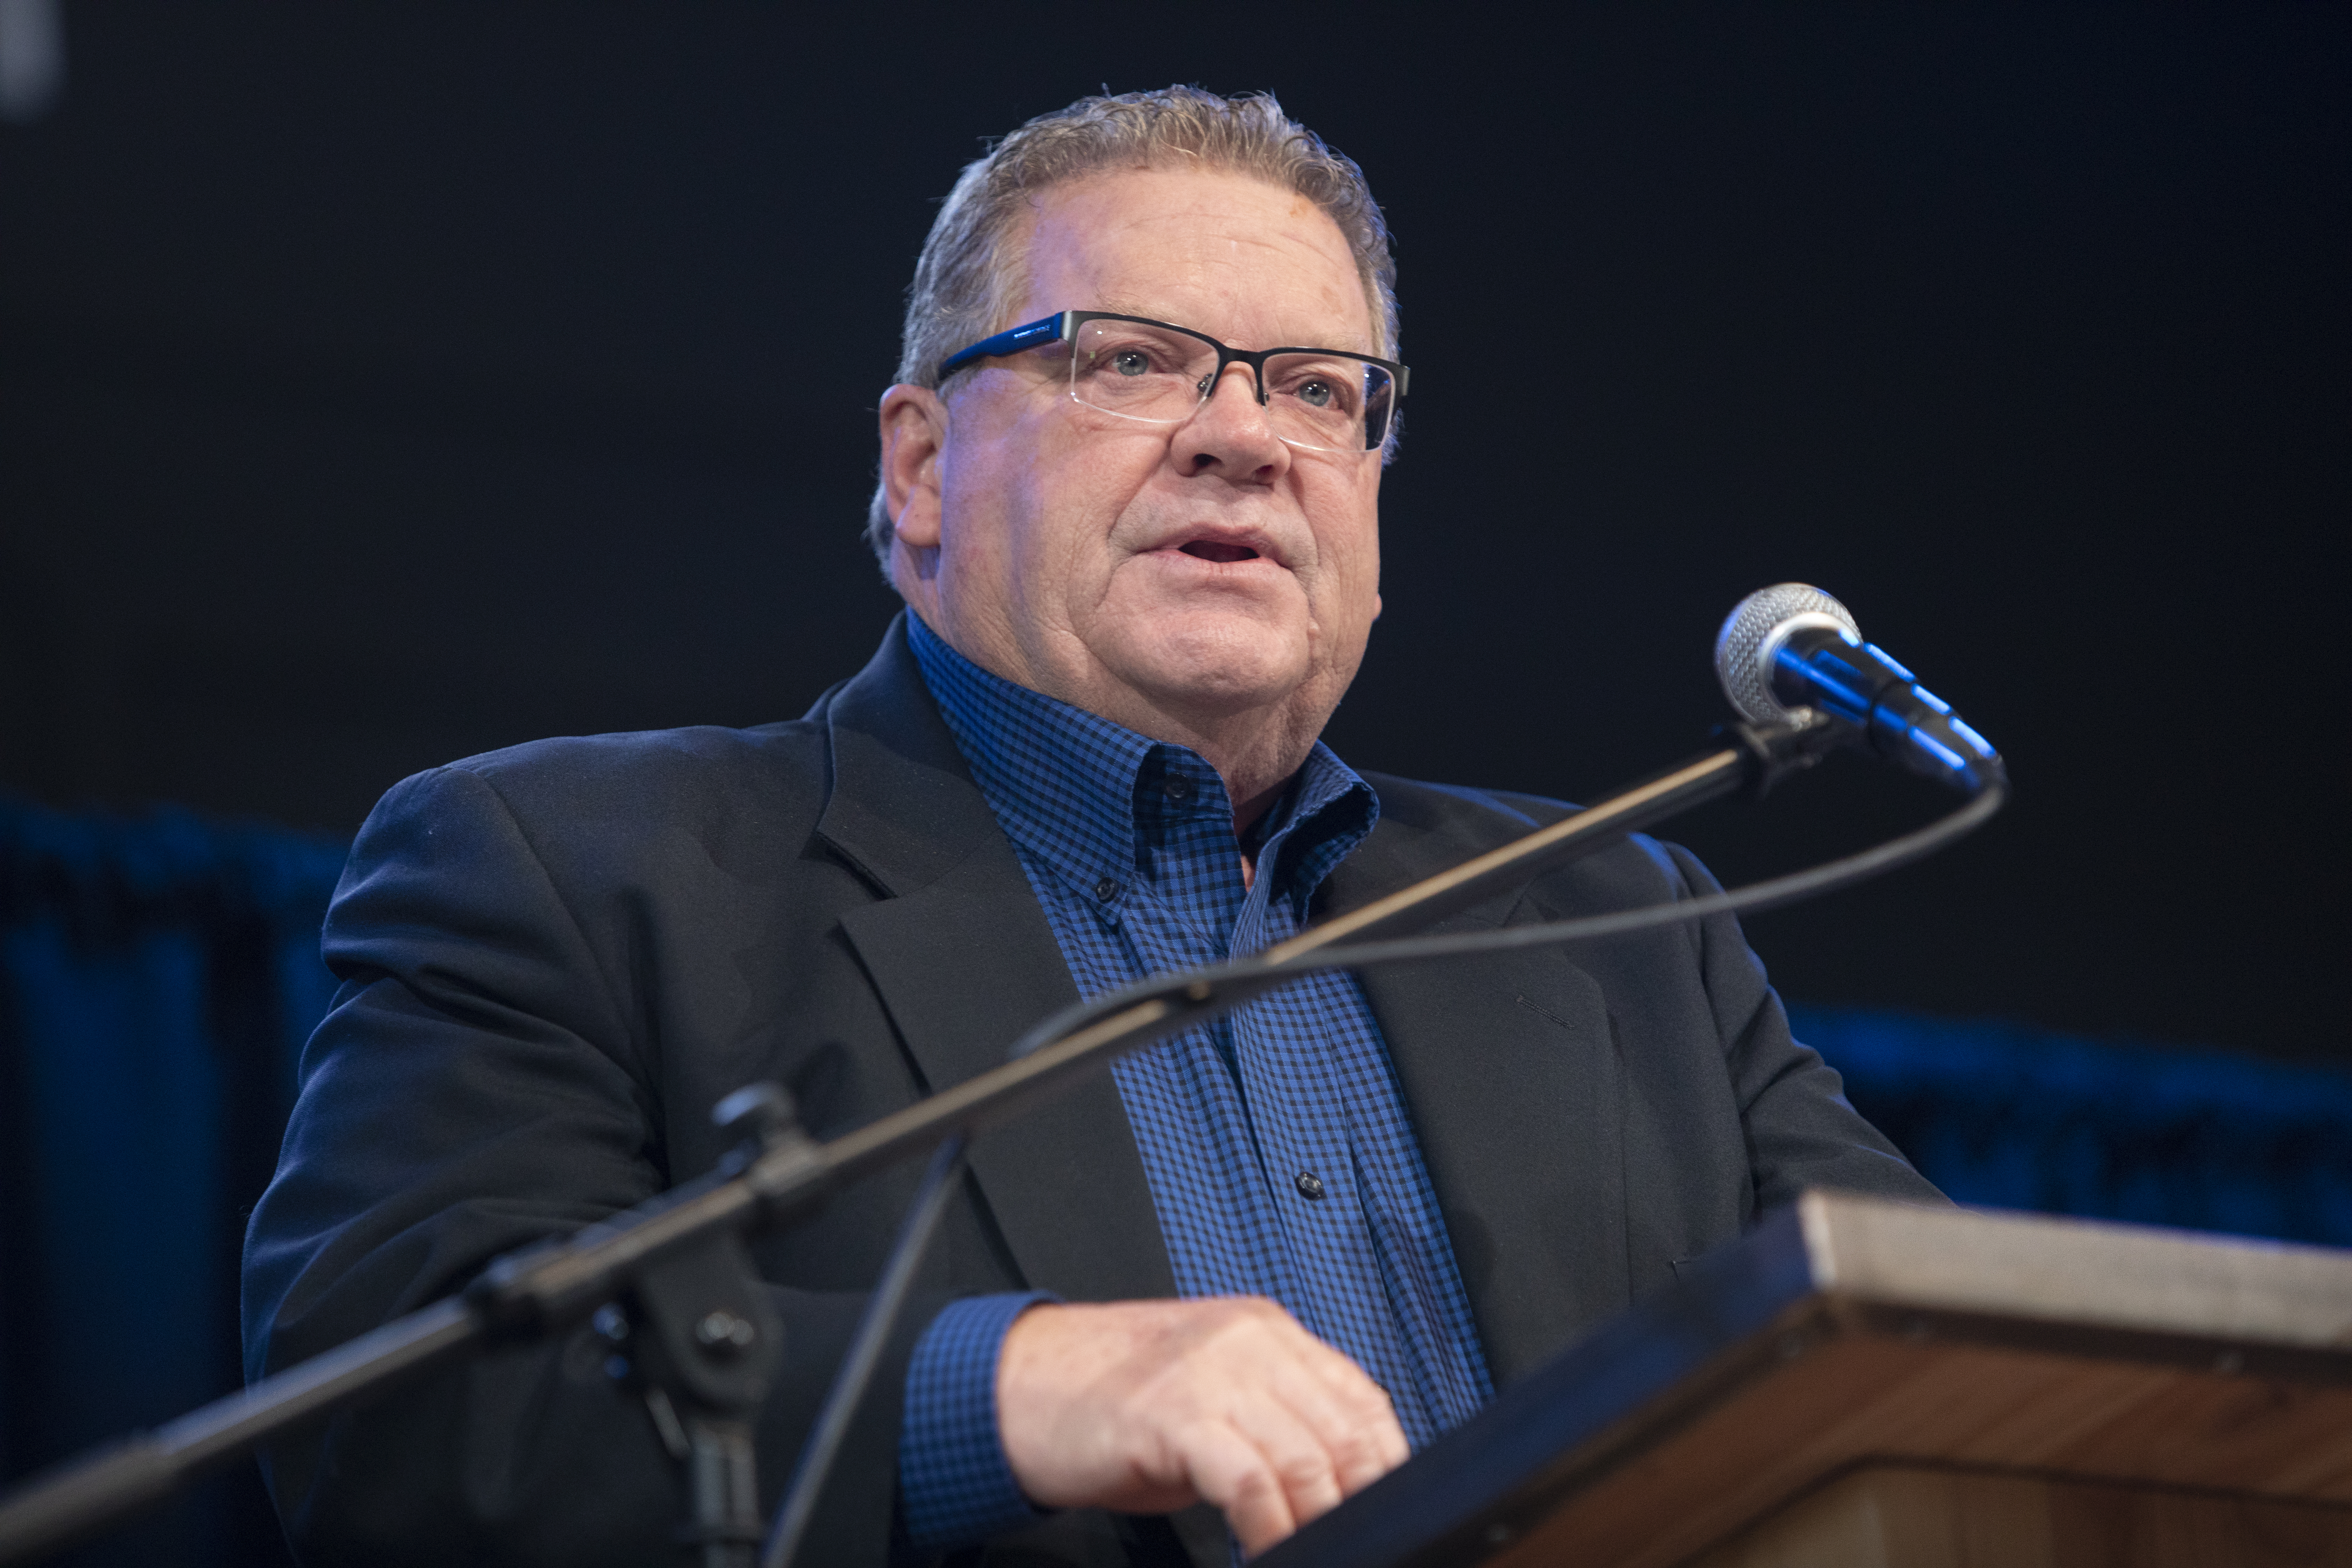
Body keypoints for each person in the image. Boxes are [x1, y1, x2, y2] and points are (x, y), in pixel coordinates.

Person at [241, 86, 1942, 1568]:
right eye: (1130, 362)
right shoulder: (580, 873)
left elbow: (1958, 1373)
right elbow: (397, 1429)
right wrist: (1001, 1386)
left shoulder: (1625, 919)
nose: (1242, 438)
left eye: (1320, 390)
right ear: (919, 466)